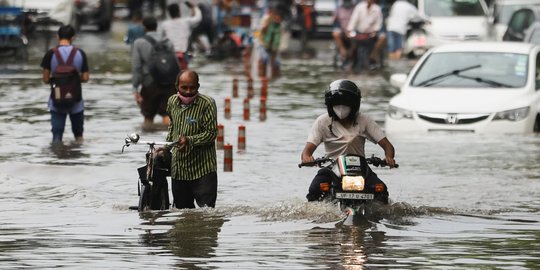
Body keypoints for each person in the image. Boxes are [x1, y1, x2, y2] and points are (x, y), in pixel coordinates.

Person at [300, 79, 396, 203]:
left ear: (354, 105)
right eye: (336, 104)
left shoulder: (364, 120)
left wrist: (389, 157)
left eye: (345, 105)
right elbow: (307, 151)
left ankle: (380, 214)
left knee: (381, 190)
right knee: (315, 188)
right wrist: (307, 158)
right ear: (330, 105)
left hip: (361, 168)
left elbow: (388, 146)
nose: (340, 108)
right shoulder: (322, 121)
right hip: (332, 168)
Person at [160, 70, 218, 209]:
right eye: (184, 87)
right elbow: (172, 127)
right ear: (177, 87)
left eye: (192, 87)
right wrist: (166, 147)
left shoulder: (207, 103)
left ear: (198, 87)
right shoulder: (172, 102)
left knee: (207, 213)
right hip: (179, 169)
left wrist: (189, 140)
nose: (188, 91)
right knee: (183, 213)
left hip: (203, 168)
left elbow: (211, 133)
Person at [40, 25, 89, 144]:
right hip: (76, 100)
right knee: (79, 137)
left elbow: (45, 79)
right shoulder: (80, 53)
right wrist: (73, 80)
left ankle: (56, 160)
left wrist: (57, 79)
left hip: (56, 100)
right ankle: (78, 158)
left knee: (57, 137)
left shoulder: (50, 54)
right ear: (73, 38)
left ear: (57, 37)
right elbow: (86, 78)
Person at [131, 16, 176, 127]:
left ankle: (149, 141)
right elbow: (174, 62)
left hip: (149, 83)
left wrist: (135, 88)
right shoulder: (167, 41)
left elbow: (137, 67)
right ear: (156, 27)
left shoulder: (139, 43)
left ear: (144, 28)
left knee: (148, 116)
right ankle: (168, 140)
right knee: (167, 115)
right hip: (168, 82)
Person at [159, 2, 202, 70]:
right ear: (179, 12)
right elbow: (198, 18)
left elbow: (161, 40)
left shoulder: (165, 24)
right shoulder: (186, 22)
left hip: (170, 55)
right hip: (183, 54)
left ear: (169, 13)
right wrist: (194, 7)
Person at [346, 0, 383, 71]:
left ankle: (372, 57)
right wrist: (350, 30)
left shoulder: (377, 9)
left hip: (371, 34)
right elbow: (353, 20)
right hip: (359, 33)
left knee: (381, 39)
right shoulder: (359, 7)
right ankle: (350, 59)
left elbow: (378, 24)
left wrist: (374, 31)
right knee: (353, 45)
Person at [256, 3, 284, 78]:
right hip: (264, 45)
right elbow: (258, 33)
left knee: (277, 62)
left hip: (273, 47)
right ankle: (262, 77)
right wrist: (262, 42)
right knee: (265, 59)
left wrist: (274, 48)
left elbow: (278, 40)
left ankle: (275, 78)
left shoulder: (279, 26)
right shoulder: (266, 20)